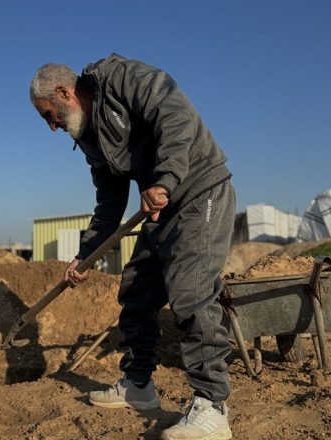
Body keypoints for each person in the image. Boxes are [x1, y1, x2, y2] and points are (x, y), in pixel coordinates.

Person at [30, 54, 235, 440]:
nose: (52, 127)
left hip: (199, 190)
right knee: (137, 290)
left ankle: (213, 406)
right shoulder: (90, 139)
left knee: (190, 294)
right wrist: (85, 255)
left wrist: (164, 181)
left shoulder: (120, 78)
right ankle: (138, 385)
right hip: (161, 208)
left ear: (63, 92)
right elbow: (109, 203)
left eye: (49, 115)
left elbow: (175, 116)